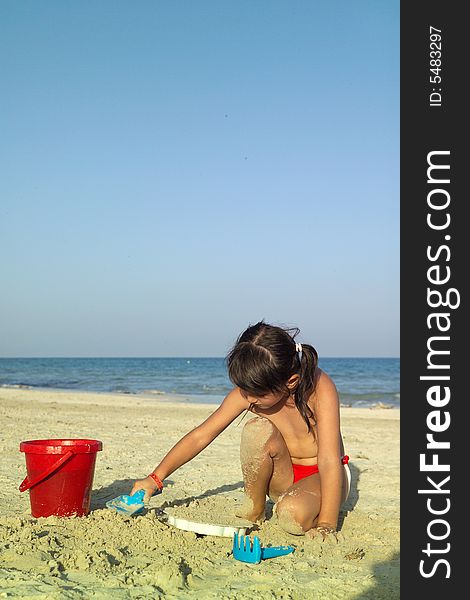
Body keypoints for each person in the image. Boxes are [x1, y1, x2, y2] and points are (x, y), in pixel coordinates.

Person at [130, 321, 350, 541]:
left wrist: (327, 524)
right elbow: (201, 436)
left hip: (324, 477)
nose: (250, 399)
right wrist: (155, 478)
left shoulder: (319, 388)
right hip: (284, 477)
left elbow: (330, 459)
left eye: (258, 394)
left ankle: (303, 507)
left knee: (291, 515)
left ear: (291, 382)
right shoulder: (249, 393)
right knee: (257, 429)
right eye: (245, 390)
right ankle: (254, 509)